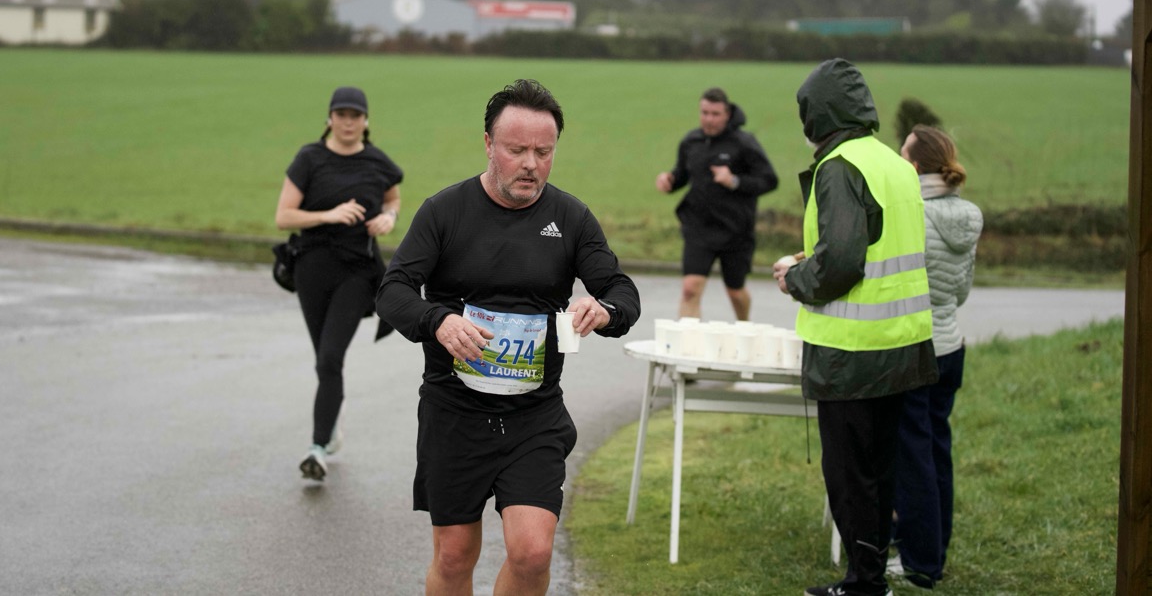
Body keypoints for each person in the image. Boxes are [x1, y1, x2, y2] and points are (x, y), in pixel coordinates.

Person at [376, 78, 640, 596]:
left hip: (533, 413)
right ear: (488, 144)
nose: (531, 164)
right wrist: (439, 321)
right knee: (454, 556)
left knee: (533, 552)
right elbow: (393, 291)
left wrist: (604, 310)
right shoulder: (445, 212)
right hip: (454, 411)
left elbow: (620, 291)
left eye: (544, 152)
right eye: (517, 150)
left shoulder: (570, 218)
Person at [771, 59, 938, 596]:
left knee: (849, 476)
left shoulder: (839, 166)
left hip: (851, 353)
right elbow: (875, 244)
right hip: (903, 346)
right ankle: (872, 576)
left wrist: (796, 277)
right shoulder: (893, 163)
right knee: (881, 469)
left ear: (819, 113)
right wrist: (814, 258)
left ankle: (864, 584)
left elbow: (842, 262)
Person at [274, 86, 403, 483]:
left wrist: (389, 218)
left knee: (330, 358)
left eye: (355, 115)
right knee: (324, 361)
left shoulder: (377, 162)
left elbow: (393, 199)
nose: (348, 122)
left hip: (357, 272)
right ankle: (333, 416)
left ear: (366, 121)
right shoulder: (309, 158)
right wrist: (329, 215)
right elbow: (283, 216)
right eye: (341, 115)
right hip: (312, 269)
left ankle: (317, 449)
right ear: (329, 119)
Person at [891, 125, 983, 589]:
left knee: (913, 459)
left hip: (915, 348)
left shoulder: (911, 214)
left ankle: (920, 563)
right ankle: (935, 551)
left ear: (913, 165)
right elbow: (961, 291)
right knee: (937, 451)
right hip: (950, 344)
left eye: (901, 153)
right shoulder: (968, 215)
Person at [655, 86, 777, 321]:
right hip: (699, 228)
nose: (709, 119)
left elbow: (769, 180)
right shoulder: (691, 141)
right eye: (705, 113)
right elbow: (682, 174)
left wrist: (734, 181)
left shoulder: (744, 143)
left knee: (735, 292)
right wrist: (670, 180)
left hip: (735, 230)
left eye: (715, 114)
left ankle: (744, 326)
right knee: (690, 289)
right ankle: (688, 341)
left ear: (727, 114)